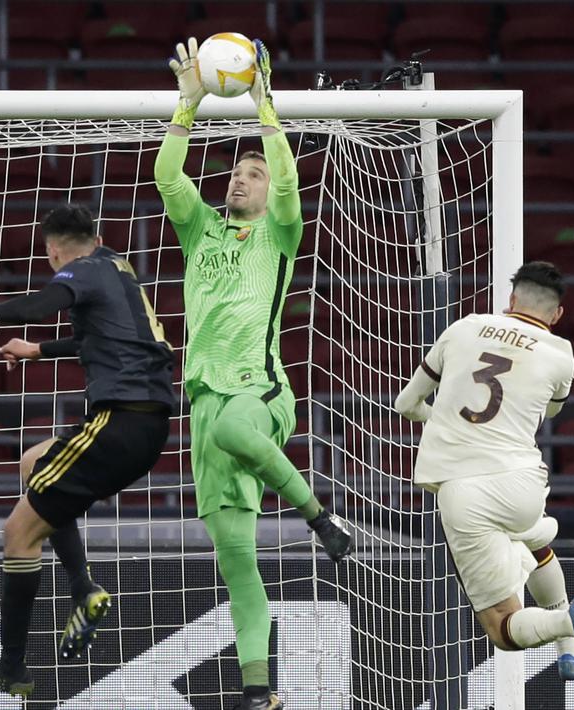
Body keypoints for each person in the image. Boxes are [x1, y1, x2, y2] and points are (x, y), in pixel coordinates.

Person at [154, 38, 352, 710]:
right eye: (235, 172)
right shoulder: (200, 229)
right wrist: (187, 106)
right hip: (202, 404)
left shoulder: (281, 233)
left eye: (252, 173)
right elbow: (165, 176)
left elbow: (289, 181)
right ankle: (258, 692)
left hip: (258, 391)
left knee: (241, 432)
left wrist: (265, 103)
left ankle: (318, 516)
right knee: (236, 562)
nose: (240, 179)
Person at [0, 204, 175, 700]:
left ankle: (12, 666)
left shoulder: (80, 270)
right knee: (35, 462)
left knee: (18, 532)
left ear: (54, 250)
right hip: (143, 423)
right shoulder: (117, 266)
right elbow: (98, 337)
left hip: (120, 421)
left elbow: (38, 305)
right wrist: (38, 351)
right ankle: (82, 589)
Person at [394, 261, 574, 681]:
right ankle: (570, 648)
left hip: (465, 491)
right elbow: (548, 411)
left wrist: (444, 420)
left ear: (511, 298)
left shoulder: (462, 328)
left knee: (502, 627)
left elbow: (406, 406)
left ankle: (567, 624)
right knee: (530, 539)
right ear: (557, 315)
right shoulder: (562, 355)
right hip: (522, 480)